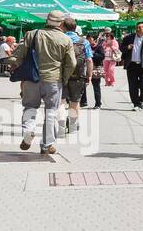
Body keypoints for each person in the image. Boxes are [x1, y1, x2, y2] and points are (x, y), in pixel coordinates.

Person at [10, 10, 77, 155]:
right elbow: (71, 63)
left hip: (32, 78)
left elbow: (19, 56)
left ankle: (28, 131)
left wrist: (15, 68)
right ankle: (47, 144)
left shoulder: (32, 34)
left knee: (29, 107)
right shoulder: (66, 39)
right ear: (61, 23)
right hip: (53, 80)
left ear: (47, 20)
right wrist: (64, 78)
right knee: (51, 112)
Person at [61, 17, 92, 135]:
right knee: (75, 101)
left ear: (63, 26)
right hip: (78, 76)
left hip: (62, 75)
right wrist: (89, 75)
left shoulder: (60, 39)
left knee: (61, 102)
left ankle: (61, 126)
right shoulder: (84, 41)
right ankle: (73, 126)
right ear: (75, 28)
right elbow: (89, 60)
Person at [120, 22, 143, 111]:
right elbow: (121, 48)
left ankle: (142, 100)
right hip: (131, 65)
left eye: (140, 28)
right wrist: (127, 47)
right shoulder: (129, 38)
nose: (137, 29)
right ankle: (136, 103)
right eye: (137, 27)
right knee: (132, 86)